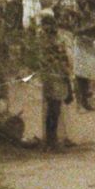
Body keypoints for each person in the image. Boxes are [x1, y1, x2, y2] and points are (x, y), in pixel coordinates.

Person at [38, 9, 74, 151]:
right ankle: (51, 141)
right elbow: (62, 58)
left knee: (53, 110)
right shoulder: (53, 40)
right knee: (54, 110)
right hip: (55, 77)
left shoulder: (45, 40)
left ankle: (50, 141)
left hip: (52, 77)